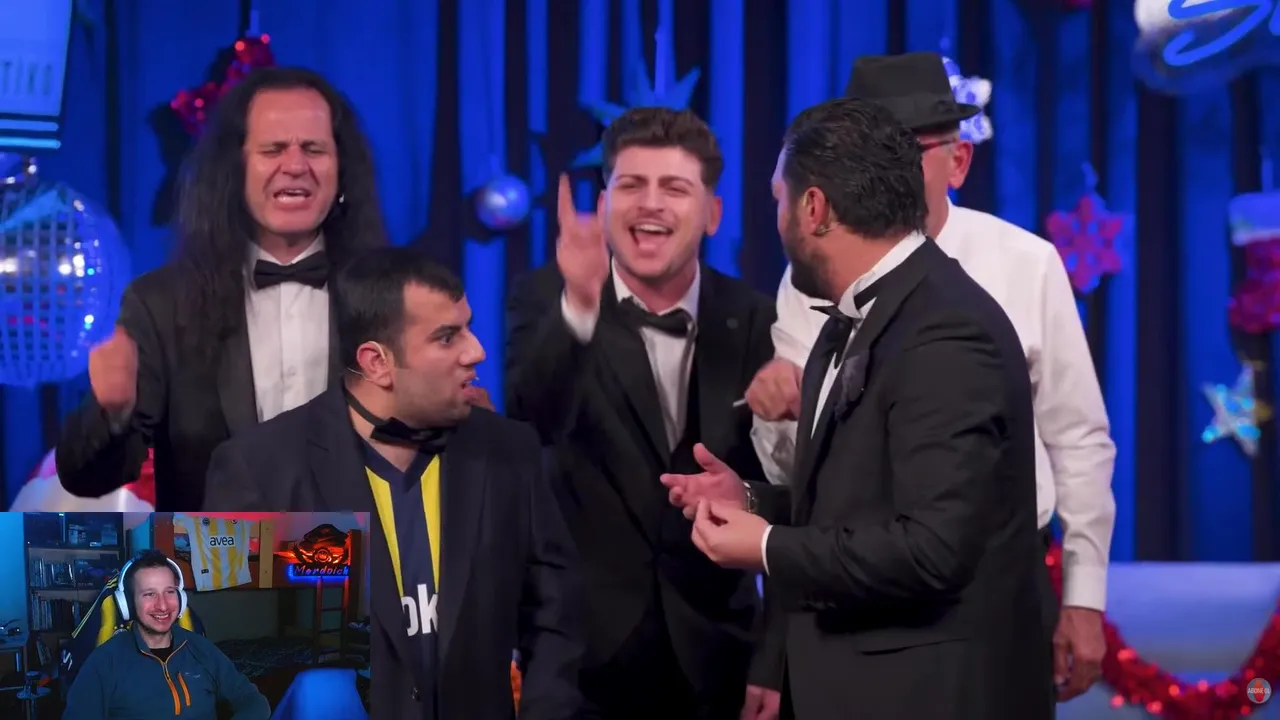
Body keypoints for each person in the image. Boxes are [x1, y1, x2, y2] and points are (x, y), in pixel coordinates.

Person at [662, 97, 1053, 719]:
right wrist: (753, 501)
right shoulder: (863, 317)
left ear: (814, 208)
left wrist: (767, 546)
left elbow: (932, 549)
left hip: (926, 697)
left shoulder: (945, 331)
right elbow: (868, 504)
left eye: (779, 200)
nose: (778, 220)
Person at [748, 51, 1114, 703]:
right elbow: (811, 475)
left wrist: (1084, 597)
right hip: (849, 592)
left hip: (978, 597)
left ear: (959, 160)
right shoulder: (814, 278)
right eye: (867, 147)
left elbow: (1076, 438)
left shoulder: (1016, 271)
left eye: (905, 149)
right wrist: (760, 476)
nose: (883, 167)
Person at [203, 247, 583, 719]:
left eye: (467, 327)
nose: (476, 351)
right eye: (447, 337)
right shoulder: (261, 470)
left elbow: (556, 618)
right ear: (377, 362)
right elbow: (231, 677)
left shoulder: (508, 451)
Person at [505, 107, 776, 718]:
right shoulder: (548, 299)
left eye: (674, 188)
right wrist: (581, 303)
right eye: (631, 185)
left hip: (719, 659)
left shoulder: (759, 319)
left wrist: (774, 655)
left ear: (712, 214)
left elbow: (791, 496)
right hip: (579, 663)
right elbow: (529, 420)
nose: (650, 204)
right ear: (604, 205)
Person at [55, 66, 388, 511]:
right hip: (215, 556)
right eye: (273, 149)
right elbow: (86, 478)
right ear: (235, 169)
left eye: (314, 149)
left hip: (364, 555)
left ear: (342, 169)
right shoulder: (159, 305)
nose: (295, 166)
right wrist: (112, 413)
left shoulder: (392, 298)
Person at [62, 550, 270, 719]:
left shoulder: (201, 649)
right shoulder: (104, 662)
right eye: (149, 594)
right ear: (128, 604)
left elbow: (254, 701)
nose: (162, 605)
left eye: (169, 592)